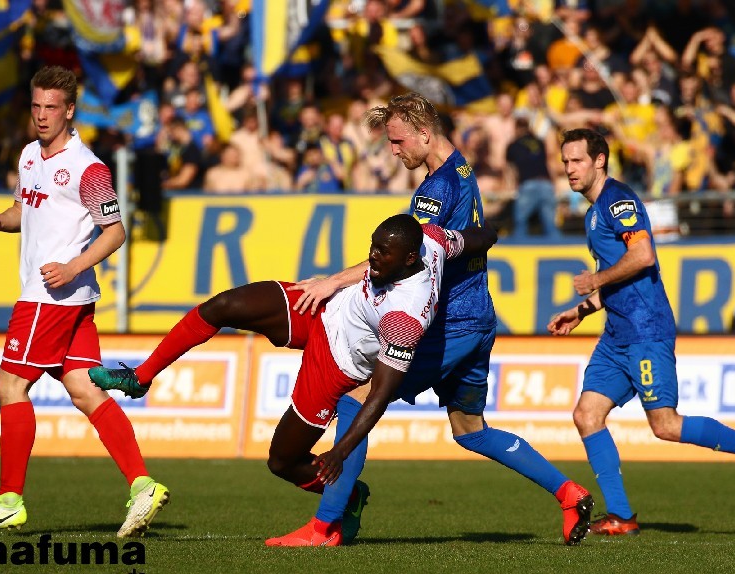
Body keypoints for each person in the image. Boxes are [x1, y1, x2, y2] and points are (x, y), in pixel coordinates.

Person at [292, 93, 595, 547]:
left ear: (424, 133)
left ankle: (325, 526)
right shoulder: (460, 168)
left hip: (451, 325)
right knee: (470, 430)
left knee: (356, 395)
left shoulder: (436, 190)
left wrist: (333, 282)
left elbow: (400, 259)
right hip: (478, 318)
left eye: (397, 142)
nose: (394, 152)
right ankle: (569, 494)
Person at [88, 214, 497, 546]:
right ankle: (140, 377)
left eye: (382, 254)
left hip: (335, 364)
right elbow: (474, 239)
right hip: (322, 308)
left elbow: (381, 393)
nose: (372, 258)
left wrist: (340, 452)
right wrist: (495, 231)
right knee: (222, 306)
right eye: (372, 247)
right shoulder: (432, 238)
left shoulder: (406, 317)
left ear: (410, 260)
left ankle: (350, 496)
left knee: (281, 461)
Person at [0, 66, 169, 537]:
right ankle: (142, 484)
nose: (42, 116)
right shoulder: (30, 155)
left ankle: (10, 501)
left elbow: (115, 232)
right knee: (86, 390)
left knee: (9, 388)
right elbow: (25, 210)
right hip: (70, 298)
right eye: (36, 106)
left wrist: (72, 266)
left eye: (52, 107)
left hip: (49, 296)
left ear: (70, 110)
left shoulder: (88, 168)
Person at [547, 128, 735, 536]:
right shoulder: (593, 212)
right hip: (616, 333)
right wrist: (581, 310)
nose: (569, 169)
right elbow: (618, 279)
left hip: (646, 330)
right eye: (565, 161)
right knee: (586, 415)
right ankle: (622, 516)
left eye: (576, 161)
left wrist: (595, 280)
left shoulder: (618, 201)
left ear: (599, 161)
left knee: (665, 425)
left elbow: (643, 256)